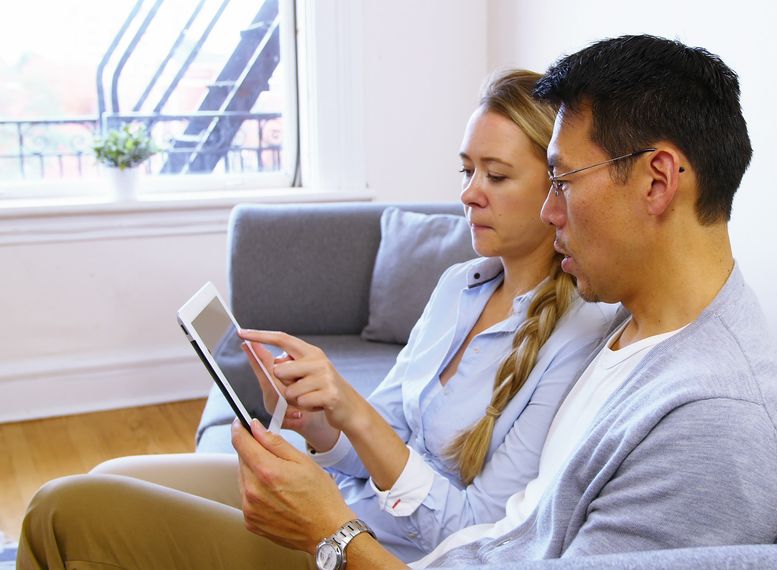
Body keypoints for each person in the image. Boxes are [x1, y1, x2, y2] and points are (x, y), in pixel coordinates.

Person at [18, 70, 617, 569]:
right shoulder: (459, 285)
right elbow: (381, 432)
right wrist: (321, 424)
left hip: (365, 549)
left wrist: (352, 413)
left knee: (65, 508)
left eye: (497, 174)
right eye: (466, 171)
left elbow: (478, 536)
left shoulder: (577, 337)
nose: (468, 193)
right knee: (116, 471)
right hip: (337, 500)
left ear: (555, 189)